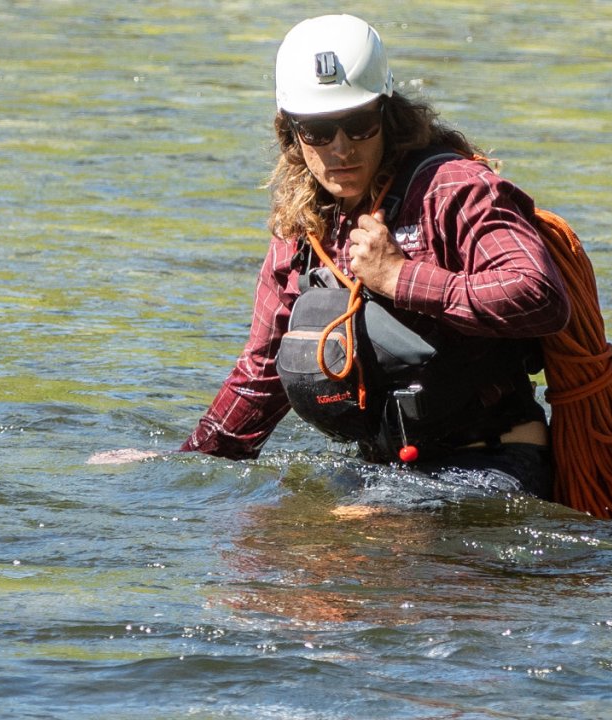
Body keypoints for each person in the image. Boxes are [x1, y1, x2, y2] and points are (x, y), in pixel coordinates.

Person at [94, 14, 570, 500]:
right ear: (291, 133)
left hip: (490, 459)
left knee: (345, 546)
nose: (341, 149)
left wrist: (401, 277)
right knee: (263, 548)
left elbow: (542, 295)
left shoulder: (452, 189)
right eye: (319, 131)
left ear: (387, 114)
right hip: (386, 471)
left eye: (358, 124)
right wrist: (183, 466)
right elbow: (261, 372)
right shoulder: (303, 227)